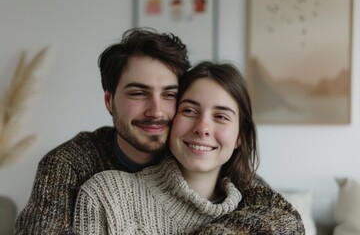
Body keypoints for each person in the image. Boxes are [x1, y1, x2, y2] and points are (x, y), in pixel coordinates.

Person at [73, 62, 305, 234]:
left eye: (221, 116)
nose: (202, 128)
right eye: (189, 111)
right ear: (171, 120)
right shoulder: (106, 196)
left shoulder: (263, 214)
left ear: (240, 137)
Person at [14, 28, 191, 234]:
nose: (156, 111)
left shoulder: (197, 153)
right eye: (138, 93)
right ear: (109, 100)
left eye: (169, 94)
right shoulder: (68, 163)